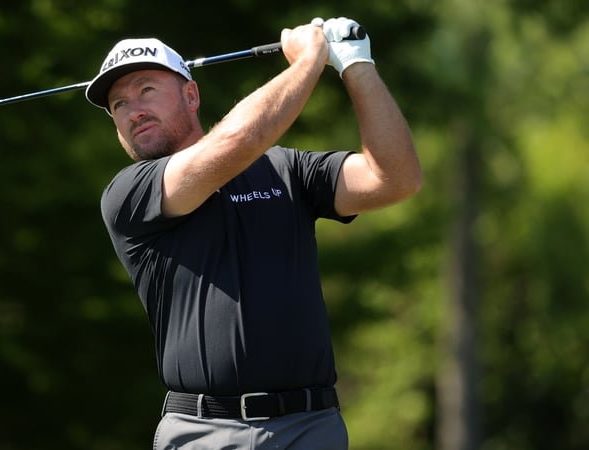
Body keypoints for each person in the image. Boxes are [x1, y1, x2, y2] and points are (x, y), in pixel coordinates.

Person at [85, 16, 422, 450]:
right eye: (119, 105)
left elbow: (395, 178)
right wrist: (309, 62)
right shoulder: (130, 194)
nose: (134, 110)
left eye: (146, 90)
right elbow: (239, 141)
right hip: (204, 432)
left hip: (310, 427)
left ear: (191, 95)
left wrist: (357, 64)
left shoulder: (288, 169)